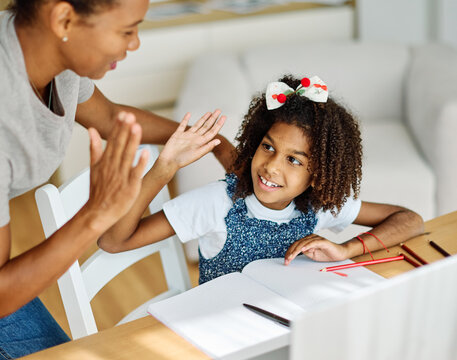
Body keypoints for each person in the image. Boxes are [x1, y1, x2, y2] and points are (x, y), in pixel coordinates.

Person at [0, 0, 233, 358]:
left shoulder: (53, 59)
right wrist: (95, 214)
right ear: (63, 19)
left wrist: (209, 141)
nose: (135, 43)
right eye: (127, 30)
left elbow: (108, 116)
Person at [98, 74, 424, 285]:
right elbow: (114, 241)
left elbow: (410, 220)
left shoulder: (318, 205)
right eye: (267, 147)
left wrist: (347, 249)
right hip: (223, 332)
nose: (270, 167)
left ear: (318, 174)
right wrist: (164, 169)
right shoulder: (217, 204)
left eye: (294, 160)